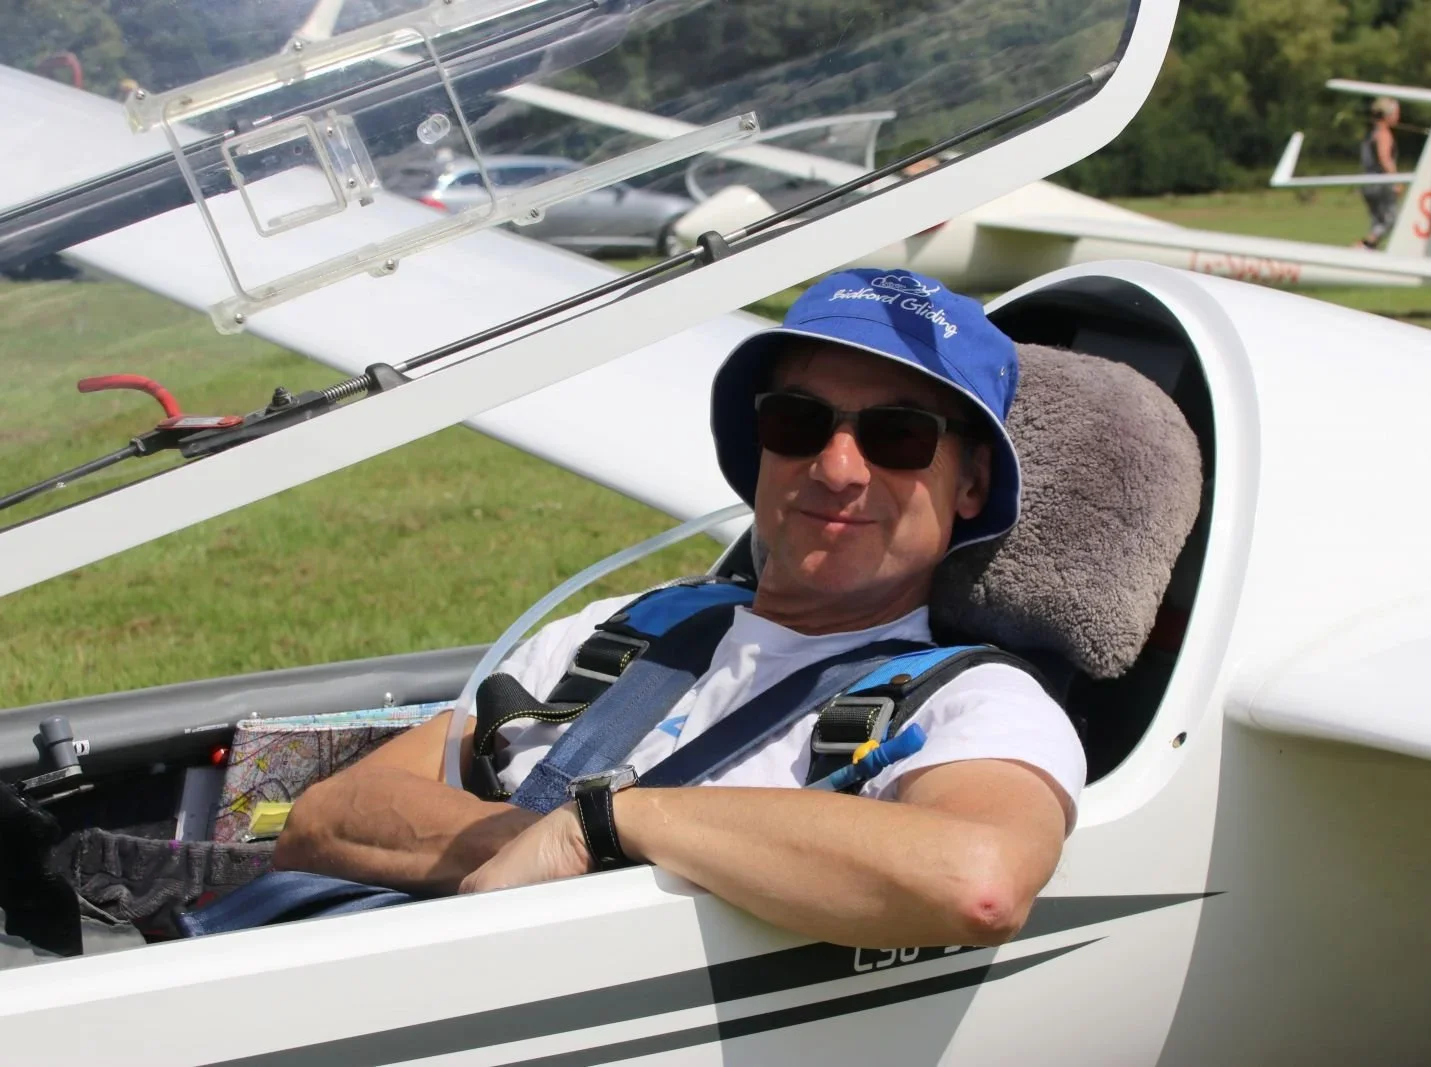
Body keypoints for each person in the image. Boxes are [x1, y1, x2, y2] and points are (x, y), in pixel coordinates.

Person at [276, 268, 1086, 949]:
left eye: (898, 436)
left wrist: (598, 828)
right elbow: (325, 814)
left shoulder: (974, 703)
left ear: (971, 483)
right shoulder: (631, 626)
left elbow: (979, 881)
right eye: (798, 422)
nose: (837, 468)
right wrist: (525, 846)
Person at [1358, 96, 1403, 249]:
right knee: (1389, 222)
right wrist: (1396, 181)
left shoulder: (1372, 133)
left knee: (1378, 224)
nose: (1398, 116)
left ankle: (1365, 251)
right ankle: (1360, 249)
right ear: (1388, 115)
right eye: (1396, 113)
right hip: (1380, 185)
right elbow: (1385, 159)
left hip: (1367, 183)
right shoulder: (1384, 134)